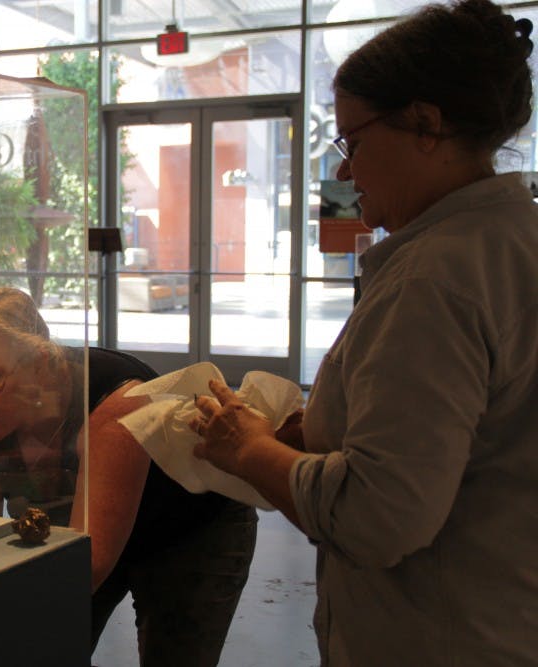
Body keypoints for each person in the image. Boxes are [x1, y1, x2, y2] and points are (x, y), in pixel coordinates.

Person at [189, 1, 538, 664]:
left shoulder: (434, 279)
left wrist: (249, 448)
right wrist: (311, 430)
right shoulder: (514, 242)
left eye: (352, 142)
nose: (345, 172)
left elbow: (380, 517)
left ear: (425, 125)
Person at [0, 287, 257, 666]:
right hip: (84, 531)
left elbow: (83, 570)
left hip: (187, 531)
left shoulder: (115, 406)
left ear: (39, 362)